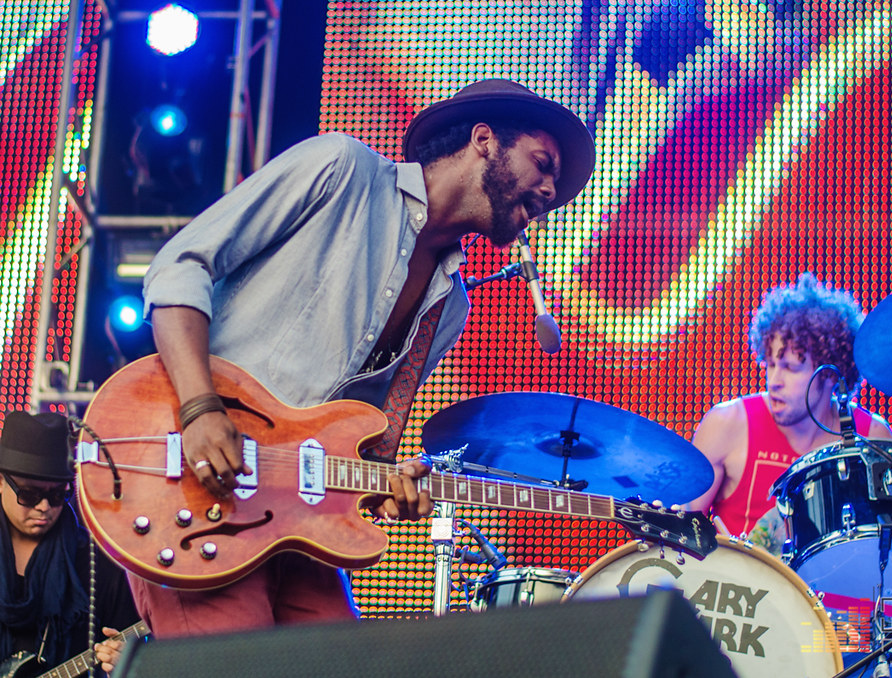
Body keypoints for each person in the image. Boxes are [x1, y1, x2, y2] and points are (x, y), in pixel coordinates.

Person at [131, 78, 596, 637]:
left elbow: (363, 445)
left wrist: (387, 484)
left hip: (298, 522)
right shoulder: (341, 168)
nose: (551, 190)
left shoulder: (451, 307)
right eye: (543, 164)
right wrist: (200, 409)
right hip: (193, 479)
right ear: (483, 140)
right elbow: (180, 265)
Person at [686, 273, 892, 553]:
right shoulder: (727, 423)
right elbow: (678, 534)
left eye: (790, 368)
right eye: (771, 365)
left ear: (830, 375)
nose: (774, 381)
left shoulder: (872, 436)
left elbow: (891, 551)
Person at [0, 410, 140, 676]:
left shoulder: (98, 563)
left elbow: (132, 648)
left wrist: (123, 660)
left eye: (57, 495)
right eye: (29, 494)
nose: (44, 507)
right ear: (0, 482)